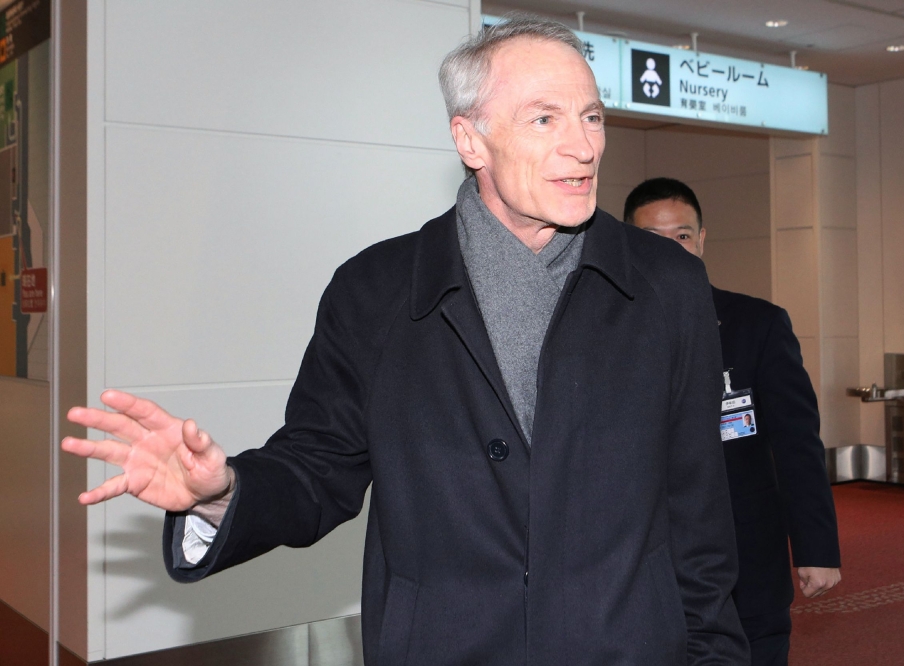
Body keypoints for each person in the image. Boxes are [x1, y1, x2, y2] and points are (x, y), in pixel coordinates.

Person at [62, 18, 749, 665]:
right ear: (470, 140)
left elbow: (699, 510)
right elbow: (318, 465)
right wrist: (219, 492)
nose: (584, 146)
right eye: (545, 119)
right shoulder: (375, 290)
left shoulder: (668, 286)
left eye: (591, 117)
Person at [624, 177, 841, 666]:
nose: (671, 250)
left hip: (746, 556)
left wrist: (816, 547)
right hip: (643, 563)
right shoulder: (603, 332)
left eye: (682, 235)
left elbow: (797, 443)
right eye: (652, 239)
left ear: (702, 240)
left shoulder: (757, 325)